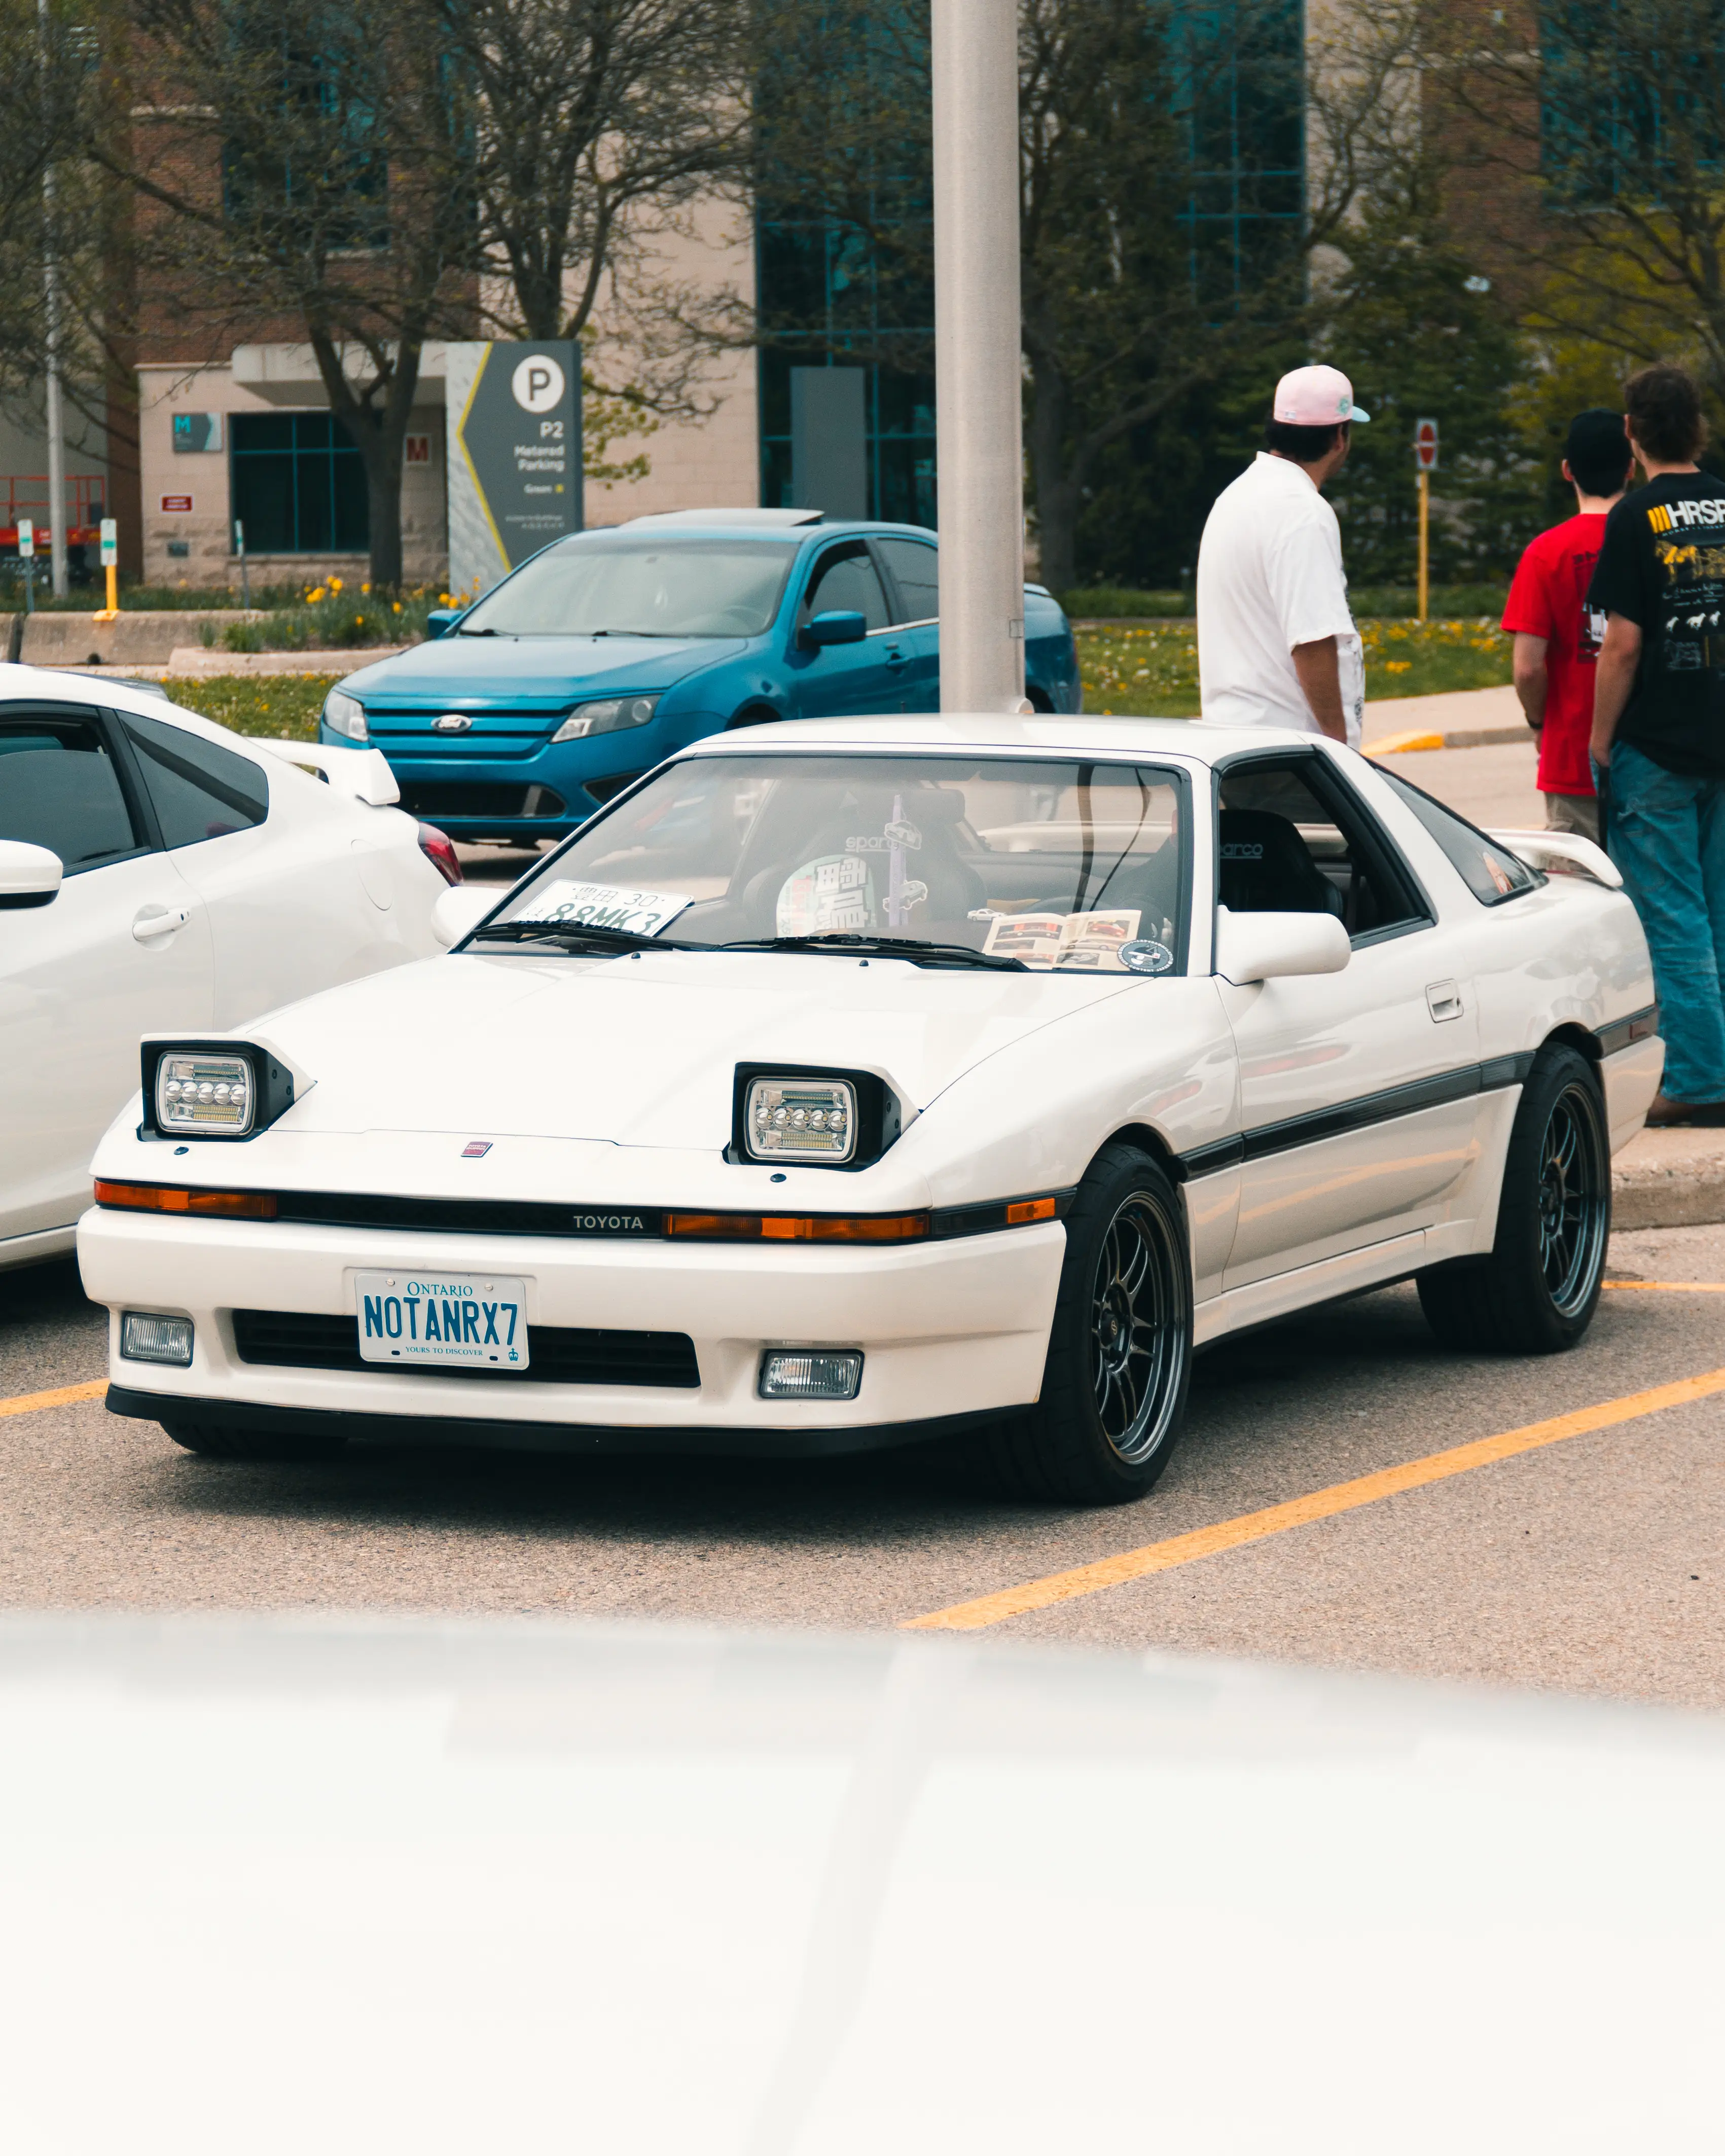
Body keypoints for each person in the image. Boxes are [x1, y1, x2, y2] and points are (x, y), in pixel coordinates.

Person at [1588, 362, 1725, 1126]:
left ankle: (1700, 1082)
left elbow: (1622, 647)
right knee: (1718, 913)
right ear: (1697, 426)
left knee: (1672, 918)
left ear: (1631, 432)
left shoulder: (1633, 516)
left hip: (1659, 746)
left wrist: (1600, 740)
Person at [1197, 364, 1369, 747]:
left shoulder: (1237, 496)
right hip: (1289, 749)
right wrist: (1337, 747)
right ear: (1340, 436)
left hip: (1233, 739)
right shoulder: (1302, 511)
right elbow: (1312, 640)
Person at [1501, 409, 1633, 844]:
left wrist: (1540, 725)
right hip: (1650, 756)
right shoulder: (1650, 543)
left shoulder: (1546, 554)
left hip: (1572, 759)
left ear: (1567, 471)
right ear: (1631, 467)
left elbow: (1527, 668)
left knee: (1584, 898)